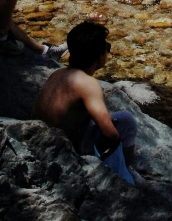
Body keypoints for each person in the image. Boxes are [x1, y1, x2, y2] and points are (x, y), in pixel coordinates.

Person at [32, 22, 138, 182]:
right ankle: (124, 174)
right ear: (99, 55)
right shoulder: (88, 84)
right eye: (106, 47)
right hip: (63, 152)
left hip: (38, 139)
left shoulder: (58, 73)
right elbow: (111, 134)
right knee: (127, 121)